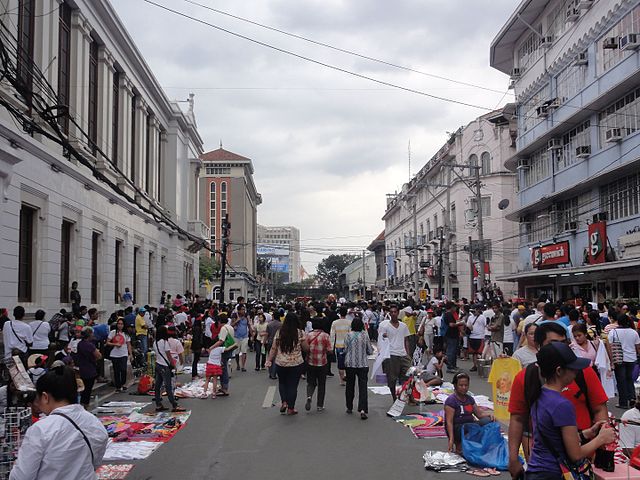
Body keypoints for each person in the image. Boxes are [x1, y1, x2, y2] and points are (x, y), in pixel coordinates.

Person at [507, 322, 610, 478]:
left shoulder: (543, 393)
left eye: (564, 343)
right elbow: (517, 418)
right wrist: (513, 457)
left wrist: (595, 440)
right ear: (539, 346)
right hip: (561, 468)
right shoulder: (529, 381)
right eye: (554, 344)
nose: (562, 349)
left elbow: (599, 408)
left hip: (562, 462)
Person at [524, 342, 616, 479]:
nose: (576, 372)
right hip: (553, 473)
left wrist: (586, 434)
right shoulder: (562, 404)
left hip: (536, 470)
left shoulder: (539, 395)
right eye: (573, 368)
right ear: (559, 371)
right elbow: (575, 454)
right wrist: (601, 439)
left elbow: (553, 438)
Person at [9, 365, 108, 480]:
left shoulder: (40, 429)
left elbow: (21, 476)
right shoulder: (93, 421)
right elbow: (95, 462)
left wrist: (16, 466)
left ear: (45, 397)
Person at [266, 311, 308, 415]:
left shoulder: (280, 332)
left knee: (282, 383)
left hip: (281, 363)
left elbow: (273, 348)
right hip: (296, 363)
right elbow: (306, 348)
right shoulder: (300, 333)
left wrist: (269, 360)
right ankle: (291, 408)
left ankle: (284, 402)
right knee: (293, 386)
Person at [444, 372, 494, 455]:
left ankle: (479, 443)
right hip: (458, 428)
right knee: (470, 427)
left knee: (488, 421)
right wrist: (451, 440)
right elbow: (449, 422)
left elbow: (479, 414)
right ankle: (460, 443)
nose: (464, 388)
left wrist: (490, 415)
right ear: (455, 386)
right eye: (461, 385)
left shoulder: (470, 399)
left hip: (470, 425)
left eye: (466, 385)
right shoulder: (451, 400)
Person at [378, 304, 411, 400]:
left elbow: (406, 340)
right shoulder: (385, 326)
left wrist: (408, 354)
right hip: (391, 354)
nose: (393, 314)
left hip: (403, 354)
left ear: (398, 313)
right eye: (391, 312)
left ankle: (404, 394)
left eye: (395, 312)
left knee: (408, 376)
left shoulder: (403, 326)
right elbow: (381, 340)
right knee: (392, 379)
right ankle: (394, 397)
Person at [607, 314, 640, 409]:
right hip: (632, 359)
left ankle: (623, 402)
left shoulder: (613, 332)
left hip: (619, 359)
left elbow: (609, 347)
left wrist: (611, 360)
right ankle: (632, 397)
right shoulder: (634, 332)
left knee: (621, 381)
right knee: (629, 378)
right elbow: (638, 347)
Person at [343, 317, 373, 419]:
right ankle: (363, 409)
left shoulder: (348, 335)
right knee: (363, 387)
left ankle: (349, 406)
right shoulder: (365, 335)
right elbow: (370, 351)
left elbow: (345, 349)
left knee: (350, 386)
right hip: (362, 364)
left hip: (350, 364)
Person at [153, 326, 185, 412]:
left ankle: (158, 404)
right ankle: (174, 405)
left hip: (158, 364)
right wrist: (173, 365)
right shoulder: (164, 342)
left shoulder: (155, 342)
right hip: (164, 365)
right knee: (168, 386)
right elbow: (168, 355)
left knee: (158, 385)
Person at [305, 317, 331, 412]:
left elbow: (305, 348)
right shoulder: (326, 336)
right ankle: (320, 405)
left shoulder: (308, 335)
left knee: (311, 382)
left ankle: (309, 396)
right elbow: (330, 350)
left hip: (310, 362)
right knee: (321, 384)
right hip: (322, 363)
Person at [75, 327, 101, 408]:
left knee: (84, 389)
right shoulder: (90, 345)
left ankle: (83, 404)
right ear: (89, 335)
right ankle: (85, 405)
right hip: (90, 369)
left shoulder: (80, 344)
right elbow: (99, 356)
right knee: (88, 389)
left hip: (82, 368)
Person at [106, 318, 132, 392]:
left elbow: (129, 345)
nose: (120, 325)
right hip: (114, 354)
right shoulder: (113, 332)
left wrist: (131, 354)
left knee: (123, 369)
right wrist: (115, 344)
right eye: (119, 324)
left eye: (121, 324)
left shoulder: (126, 334)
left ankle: (123, 383)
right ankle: (118, 386)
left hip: (123, 354)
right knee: (116, 371)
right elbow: (107, 342)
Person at [330, 307, 351, 386]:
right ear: (346, 313)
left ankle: (341, 380)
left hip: (338, 345)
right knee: (348, 362)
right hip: (348, 345)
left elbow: (332, 336)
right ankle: (347, 376)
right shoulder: (349, 322)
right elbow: (351, 335)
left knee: (340, 363)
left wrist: (331, 346)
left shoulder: (335, 323)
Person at [466, 304, 486, 372]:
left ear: (478, 310)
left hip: (480, 336)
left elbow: (485, 325)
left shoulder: (482, 317)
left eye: (474, 311)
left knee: (480, 352)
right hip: (472, 336)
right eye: (472, 311)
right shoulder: (470, 317)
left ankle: (481, 365)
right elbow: (468, 326)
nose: (473, 312)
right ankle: (475, 365)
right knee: (474, 353)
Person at [231, 305, 251, 372]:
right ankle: (238, 365)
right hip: (237, 336)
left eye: (244, 309)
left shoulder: (246, 316)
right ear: (239, 310)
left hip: (245, 336)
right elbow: (231, 325)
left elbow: (249, 325)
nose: (243, 311)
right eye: (242, 309)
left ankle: (243, 366)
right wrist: (237, 320)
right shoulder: (235, 316)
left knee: (244, 352)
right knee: (237, 352)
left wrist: (252, 334)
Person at [265, 311, 282, 379]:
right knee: (275, 358)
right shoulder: (281, 324)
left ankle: (270, 372)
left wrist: (264, 342)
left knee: (270, 357)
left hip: (270, 341)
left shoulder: (269, 324)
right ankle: (274, 373)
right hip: (278, 342)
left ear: (273, 316)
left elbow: (267, 334)